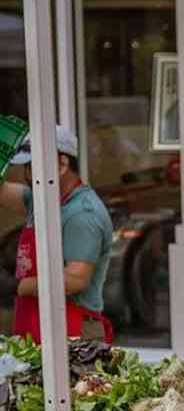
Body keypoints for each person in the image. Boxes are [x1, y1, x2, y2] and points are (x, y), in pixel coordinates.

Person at [0, 125, 113, 342]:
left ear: (62, 164)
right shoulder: (43, 199)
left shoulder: (82, 213)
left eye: (32, 167)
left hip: (73, 332)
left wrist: (14, 286)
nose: (26, 175)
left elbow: (75, 279)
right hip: (36, 323)